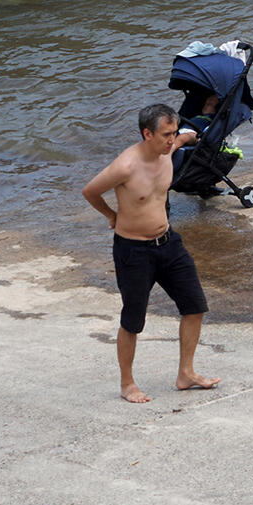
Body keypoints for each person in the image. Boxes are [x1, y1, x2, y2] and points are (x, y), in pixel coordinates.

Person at [82, 103, 220, 403]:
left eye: (173, 133)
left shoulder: (167, 151)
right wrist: (111, 216)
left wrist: (192, 135)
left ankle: (186, 373)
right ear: (147, 134)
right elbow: (90, 191)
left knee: (195, 306)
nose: (171, 141)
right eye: (165, 135)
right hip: (134, 252)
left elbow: (184, 138)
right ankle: (127, 384)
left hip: (168, 243)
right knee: (133, 320)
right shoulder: (125, 166)